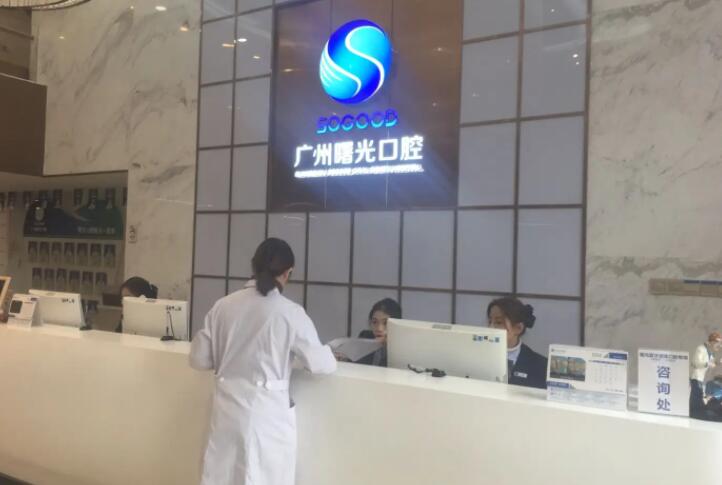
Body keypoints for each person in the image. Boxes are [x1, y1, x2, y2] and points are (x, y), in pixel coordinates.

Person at [189, 238, 336, 485]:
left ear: (253, 266)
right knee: (262, 477)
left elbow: (198, 359)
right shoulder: (289, 312)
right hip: (266, 416)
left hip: (225, 413)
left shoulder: (223, 306)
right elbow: (322, 365)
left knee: (222, 477)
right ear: (288, 272)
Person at [487, 297, 547, 389]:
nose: (490, 328)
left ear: (518, 328)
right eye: (490, 321)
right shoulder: (476, 355)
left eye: (498, 322)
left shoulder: (541, 365)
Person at [356, 298, 402, 367]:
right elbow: (357, 366)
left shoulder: (402, 349)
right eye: (375, 322)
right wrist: (345, 359)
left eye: (385, 323)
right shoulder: (365, 336)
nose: (379, 329)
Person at [690, 332, 722, 419]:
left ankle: (697, 412)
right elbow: (696, 363)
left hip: (701, 378)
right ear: (713, 342)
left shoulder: (708, 352)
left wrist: (718, 362)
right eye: (718, 344)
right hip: (696, 377)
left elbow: (712, 363)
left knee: (698, 395)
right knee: (696, 395)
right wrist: (708, 364)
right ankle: (695, 413)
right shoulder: (701, 349)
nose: (719, 346)